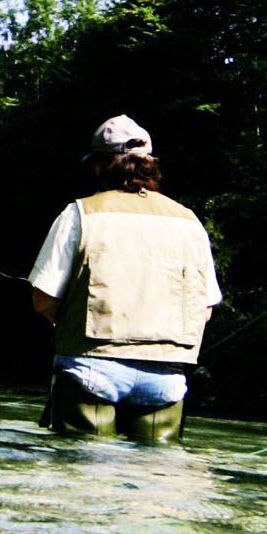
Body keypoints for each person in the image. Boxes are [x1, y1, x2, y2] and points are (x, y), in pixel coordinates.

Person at [26, 116, 221, 443]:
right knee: (156, 480)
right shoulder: (190, 222)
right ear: (150, 165)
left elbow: (43, 298)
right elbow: (205, 308)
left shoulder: (79, 214)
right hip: (167, 377)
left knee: (84, 477)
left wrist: (71, 325)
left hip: (89, 369)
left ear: (100, 165)